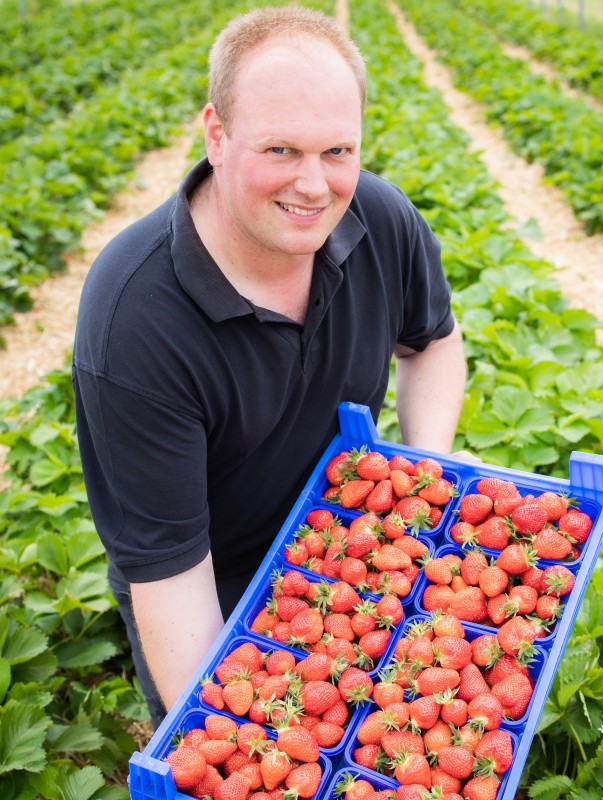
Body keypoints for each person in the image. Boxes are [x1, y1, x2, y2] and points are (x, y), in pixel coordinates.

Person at [71, 5, 466, 729]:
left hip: (354, 538)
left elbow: (433, 343)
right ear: (216, 135)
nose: (315, 187)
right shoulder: (136, 316)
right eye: (280, 150)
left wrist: (421, 473)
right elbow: (169, 573)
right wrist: (244, 735)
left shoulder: (378, 217)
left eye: (337, 151)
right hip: (211, 581)